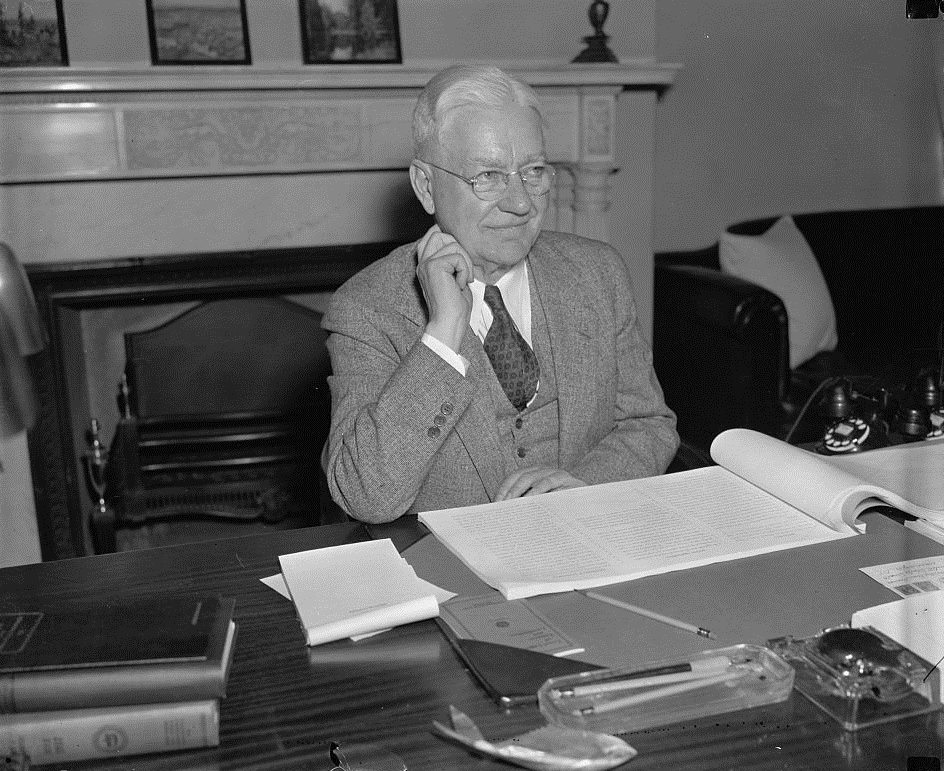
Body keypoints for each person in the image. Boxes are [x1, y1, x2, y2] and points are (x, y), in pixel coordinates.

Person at [322, 63, 678, 523]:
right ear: (426, 187)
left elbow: (648, 424)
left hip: (590, 542)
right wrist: (443, 334)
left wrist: (588, 486)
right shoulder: (367, 309)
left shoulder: (597, 273)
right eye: (488, 176)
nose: (521, 203)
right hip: (454, 575)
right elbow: (365, 494)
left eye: (532, 172)